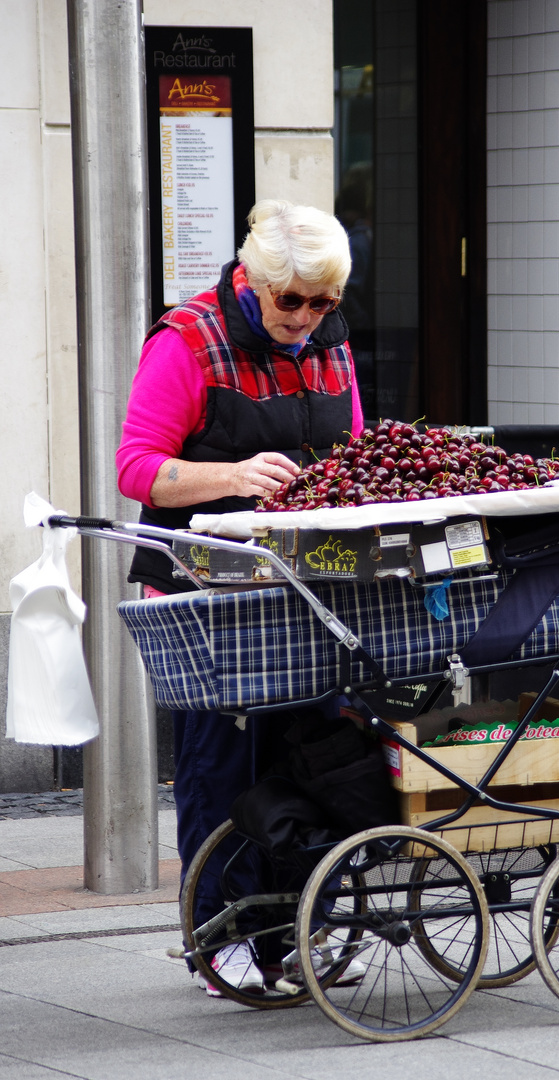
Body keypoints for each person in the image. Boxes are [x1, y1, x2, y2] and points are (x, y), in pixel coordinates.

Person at [116, 199, 365, 995]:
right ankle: (219, 935)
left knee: (314, 751)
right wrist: (231, 477)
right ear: (250, 280)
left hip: (303, 582)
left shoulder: (328, 341)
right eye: (288, 300)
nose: (304, 318)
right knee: (221, 760)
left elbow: (351, 447)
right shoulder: (186, 341)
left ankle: (297, 927)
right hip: (203, 589)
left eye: (321, 303)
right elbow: (136, 469)